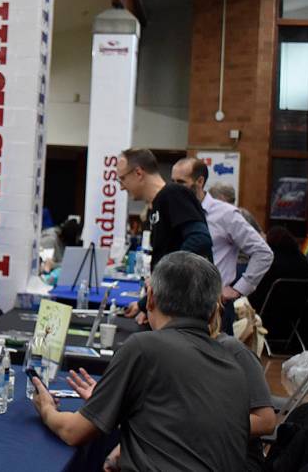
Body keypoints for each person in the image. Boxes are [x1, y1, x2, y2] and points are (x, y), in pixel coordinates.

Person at [32, 251, 250, 471]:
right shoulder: (234, 367)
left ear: (151, 298)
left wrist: (47, 409)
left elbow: (73, 432)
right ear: (214, 311)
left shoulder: (144, 348)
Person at [63, 301, 275, 472]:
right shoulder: (167, 355)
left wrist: (192, 424)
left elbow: (266, 421)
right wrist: (111, 403)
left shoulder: (231, 351)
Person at [172, 157, 272, 334]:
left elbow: (263, 252)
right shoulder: (175, 210)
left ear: (200, 181)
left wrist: (238, 289)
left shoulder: (225, 214)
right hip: (177, 305)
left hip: (212, 309)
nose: (174, 187)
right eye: (172, 182)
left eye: (181, 182)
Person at [117, 148, 212, 325]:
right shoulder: (158, 204)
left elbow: (201, 239)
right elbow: (168, 252)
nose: (121, 186)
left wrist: (163, 273)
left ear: (138, 173)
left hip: (187, 311)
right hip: (173, 306)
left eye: (122, 178)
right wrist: (144, 305)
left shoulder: (173, 194)